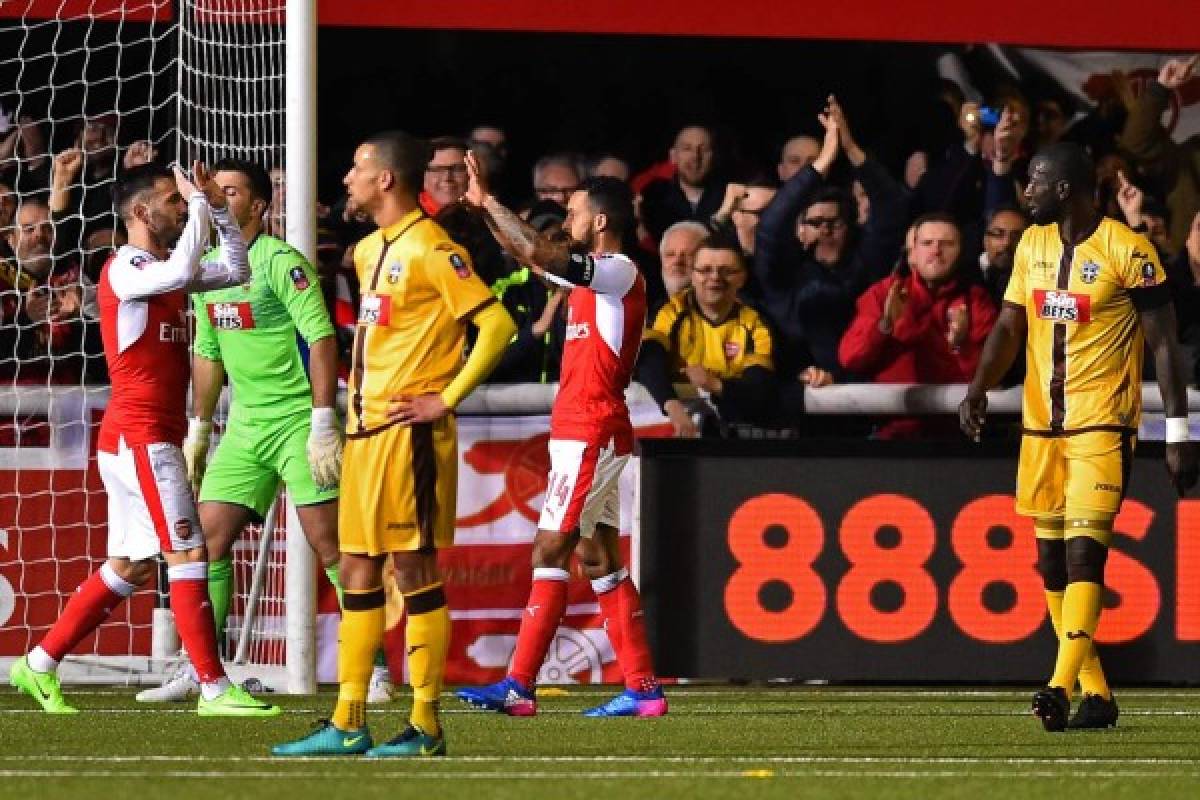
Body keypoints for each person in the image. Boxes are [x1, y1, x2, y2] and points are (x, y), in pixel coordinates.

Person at [272, 130, 515, 758]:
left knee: (413, 571)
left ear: (385, 179)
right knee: (356, 570)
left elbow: (498, 323)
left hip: (409, 437)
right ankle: (349, 720)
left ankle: (427, 724)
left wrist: (446, 396)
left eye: (356, 167)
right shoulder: (366, 251)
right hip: (365, 436)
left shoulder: (436, 249)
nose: (347, 178)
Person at [8, 161, 277, 717]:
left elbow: (233, 265)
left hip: (139, 437)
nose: (180, 207)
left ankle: (37, 663)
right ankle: (212, 687)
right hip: (142, 436)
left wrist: (218, 210)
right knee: (188, 549)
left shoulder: (159, 267)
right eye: (171, 201)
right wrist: (203, 203)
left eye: (181, 202)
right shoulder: (126, 268)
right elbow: (183, 273)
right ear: (140, 212)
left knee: (132, 566)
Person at [132, 158, 394, 703]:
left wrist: (324, 419)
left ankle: (375, 668)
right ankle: (202, 666)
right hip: (246, 428)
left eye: (231, 191)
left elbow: (321, 339)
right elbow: (207, 352)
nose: (220, 198)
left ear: (258, 205)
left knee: (329, 546)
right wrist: (200, 428)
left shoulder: (281, 262)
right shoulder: (205, 270)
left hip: (299, 420)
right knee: (205, 540)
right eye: (214, 191)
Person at [960, 142, 1198, 732]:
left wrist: (1177, 430)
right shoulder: (1032, 245)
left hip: (1101, 423)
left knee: (1085, 553)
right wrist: (978, 386)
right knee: (1051, 566)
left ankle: (1057, 686)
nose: (1027, 192)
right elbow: (1010, 326)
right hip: (1041, 425)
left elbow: (1166, 344)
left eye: (1035, 182)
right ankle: (1098, 694)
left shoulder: (1129, 250)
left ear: (1065, 188)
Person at [455, 154, 668, 718]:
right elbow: (522, 253)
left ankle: (518, 686)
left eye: (574, 211)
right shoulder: (587, 283)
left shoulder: (620, 270)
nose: (567, 220)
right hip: (585, 432)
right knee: (600, 561)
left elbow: (538, 251)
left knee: (550, 547)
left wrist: (492, 203)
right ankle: (644, 690)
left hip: (590, 431)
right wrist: (484, 209)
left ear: (600, 221)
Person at [839, 213, 996, 439]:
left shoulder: (976, 301)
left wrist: (962, 346)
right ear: (912, 253)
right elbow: (850, 358)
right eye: (927, 243)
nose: (936, 251)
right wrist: (885, 325)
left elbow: (992, 379)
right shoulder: (884, 293)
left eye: (947, 244)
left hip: (958, 437)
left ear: (960, 252)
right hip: (890, 434)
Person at [638, 235, 776, 437]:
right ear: (693, 276)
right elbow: (647, 362)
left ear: (742, 277)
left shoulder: (756, 323)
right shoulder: (669, 311)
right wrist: (673, 407)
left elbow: (759, 389)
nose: (715, 278)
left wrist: (714, 385)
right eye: (704, 270)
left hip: (738, 435)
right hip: (675, 429)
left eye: (727, 271)